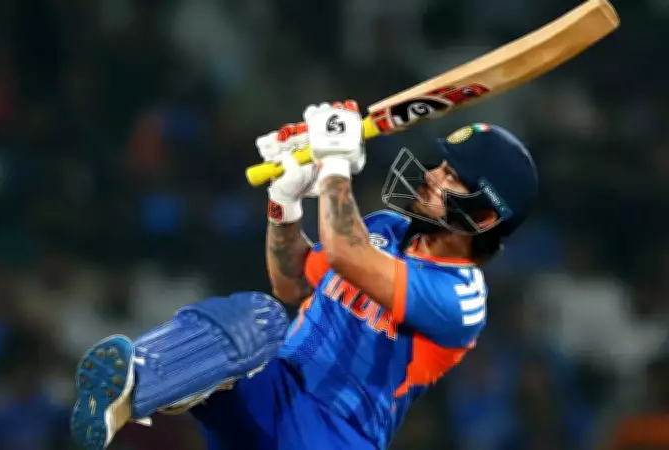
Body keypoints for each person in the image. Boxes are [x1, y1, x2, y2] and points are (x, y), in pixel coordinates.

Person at [69, 100, 539, 450]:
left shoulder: (461, 297)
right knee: (256, 318)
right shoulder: (386, 228)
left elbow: (345, 253)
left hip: (336, 434)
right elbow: (291, 283)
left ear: (483, 216)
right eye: (442, 165)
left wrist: (334, 164)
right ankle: (131, 388)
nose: (433, 175)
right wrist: (285, 200)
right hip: (274, 390)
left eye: (452, 178)